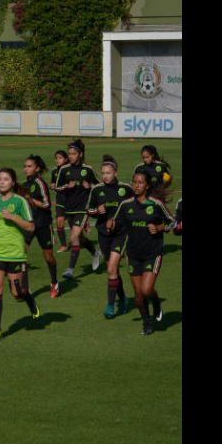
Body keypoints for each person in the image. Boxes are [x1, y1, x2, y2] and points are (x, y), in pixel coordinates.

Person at [109, 169, 175, 335]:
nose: (136, 186)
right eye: (134, 182)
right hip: (133, 254)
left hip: (153, 253)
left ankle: (156, 302)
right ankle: (147, 322)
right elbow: (115, 222)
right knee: (138, 295)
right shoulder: (126, 205)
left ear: (147, 186)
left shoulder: (156, 204)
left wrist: (160, 227)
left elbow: (173, 222)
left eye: (140, 183)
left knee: (146, 290)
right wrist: (111, 225)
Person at [0, 168, 41, 343]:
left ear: (13, 183)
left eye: (6, 179)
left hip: (15, 253)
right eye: (0, 179)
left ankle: (29, 300)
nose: (2, 182)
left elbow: (31, 227)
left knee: (18, 294)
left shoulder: (20, 201)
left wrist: (13, 217)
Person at [85, 155, 133, 318]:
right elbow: (89, 210)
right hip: (103, 234)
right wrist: (97, 211)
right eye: (103, 173)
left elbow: (135, 206)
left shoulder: (126, 189)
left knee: (112, 268)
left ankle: (110, 306)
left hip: (121, 233)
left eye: (108, 173)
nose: (105, 176)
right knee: (113, 271)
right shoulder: (96, 189)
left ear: (116, 172)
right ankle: (124, 299)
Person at [55, 139, 103, 279]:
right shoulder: (64, 169)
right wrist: (66, 187)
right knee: (80, 239)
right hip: (69, 209)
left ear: (80, 154)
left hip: (83, 209)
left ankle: (70, 269)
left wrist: (90, 186)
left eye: (73, 153)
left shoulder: (88, 170)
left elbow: (100, 187)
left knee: (74, 237)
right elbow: (57, 188)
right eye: (69, 153)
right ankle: (95, 252)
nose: (70, 156)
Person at [21, 155, 60, 298]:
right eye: (25, 166)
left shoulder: (40, 183)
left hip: (43, 224)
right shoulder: (24, 185)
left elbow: (47, 204)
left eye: (29, 166)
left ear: (37, 168)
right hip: (29, 224)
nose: (26, 169)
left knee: (49, 257)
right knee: (21, 255)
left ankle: (54, 283)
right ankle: (25, 289)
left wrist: (31, 200)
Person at [50, 150, 70, 252]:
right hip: (60, 200)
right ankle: (64, 245)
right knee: (59, 222)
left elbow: (70, 186)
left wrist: (60, 187)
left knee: (74, 226)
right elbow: (53, 183)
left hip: (71, 201)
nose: (58, 160)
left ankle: (81, 239)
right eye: (56, 158)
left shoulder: (70, 170)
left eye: (60, 158)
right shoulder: (54, 171)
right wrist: (52, 185)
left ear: (66, 159)